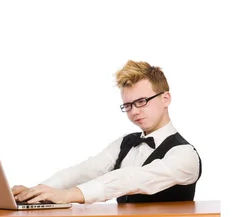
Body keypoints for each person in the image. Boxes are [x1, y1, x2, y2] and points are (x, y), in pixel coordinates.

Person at [12, 60, 202, 204]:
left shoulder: (185, 155)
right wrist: (36, 192)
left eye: (142, 101)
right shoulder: (125, 143)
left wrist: (69, 195)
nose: (134, 111)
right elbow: (85, 170)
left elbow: (131, 179)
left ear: (165, 98)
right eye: (128, 105)